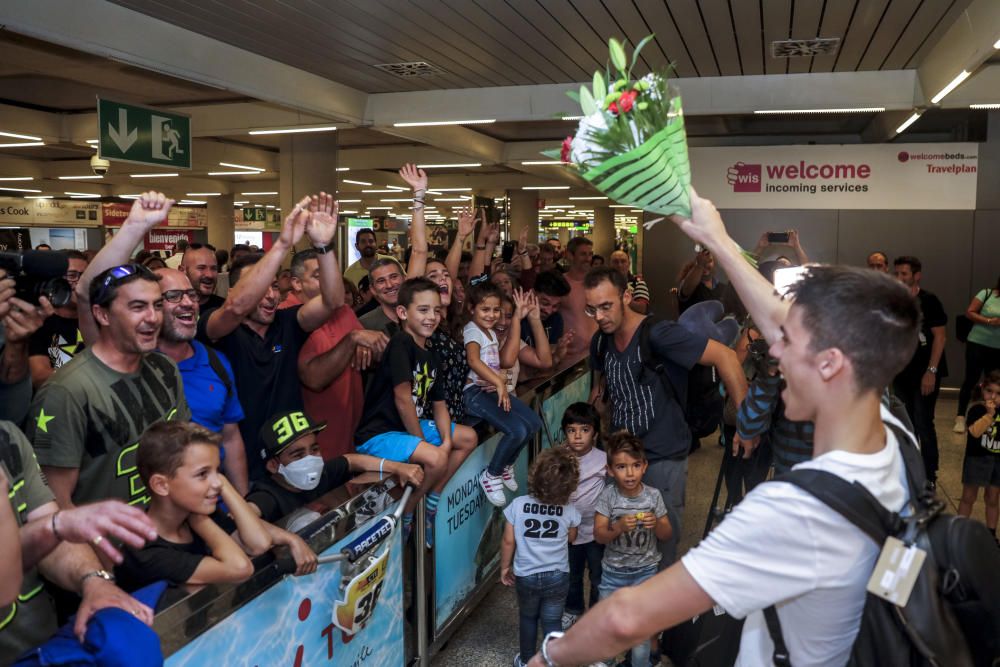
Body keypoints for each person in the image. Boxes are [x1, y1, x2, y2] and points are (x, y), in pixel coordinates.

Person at [529, 189, 921, 667]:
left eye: (787, 347)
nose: (772, 354)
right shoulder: (896, 435)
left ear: (830, 363)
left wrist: (550, 656)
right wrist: (716, 240)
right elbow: (779, 317)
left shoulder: (789, 510)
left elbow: (626, 618)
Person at [28, 193, 191, 508]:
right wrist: (134, 227)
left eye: (157, 305)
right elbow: (57, 506)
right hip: (105, 549)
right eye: (137, 307)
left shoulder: (164, 368)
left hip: (161, 538)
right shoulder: (68, 391)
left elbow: (180, 455)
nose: (153, 317)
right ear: (102, 315)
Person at [586, 265, 747, 568]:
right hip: (621, 457)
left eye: (606, 306)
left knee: (662, 540)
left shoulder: (659, 333)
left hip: (663, 454)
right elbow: (601, 390)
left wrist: (747, 424)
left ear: (627, 296)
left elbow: (725, 357)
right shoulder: (601, 339)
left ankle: (661, 608)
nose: (599, 317)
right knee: (617, 541)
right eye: (591, 309)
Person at [198, 193, 344, 482]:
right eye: (260, 286)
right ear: (235, 290)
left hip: (290, 461)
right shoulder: (218, 327)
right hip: (240, 461)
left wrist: (323, 246)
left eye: (275, 286)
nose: (270, 295)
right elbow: (236, 308)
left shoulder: (288, 323)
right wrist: (283, 243)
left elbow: (332, 301)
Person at [0, 419, 159, 660]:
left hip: (45, 649)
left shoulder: (7, 434)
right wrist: (53, 527)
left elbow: (50, 536)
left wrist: (94, 580)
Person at [354, 278, 478, 543]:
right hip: (381, 434)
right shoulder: (400, 343)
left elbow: (440, 405)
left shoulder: (431, 354)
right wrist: (423, 443)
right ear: (403, 313)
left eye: (435, 310)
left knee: (468, 438)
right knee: (435, 459)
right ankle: (409, 515)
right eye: (423, 310)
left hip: (408, 429)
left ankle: (432, 499)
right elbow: (402, 398)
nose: (431, 317)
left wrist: (446, 441)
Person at [115, 421, 273, 598]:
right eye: (202, 474)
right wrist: (200, 521)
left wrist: (224, 484)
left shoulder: (198, 512)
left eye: (217, 471)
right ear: (161, 485)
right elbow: (240, 568)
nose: (217, 483)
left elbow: (259, 543)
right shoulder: (143, 552)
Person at [154, 268, 249, 495]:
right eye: (174, 296)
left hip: (215, 502)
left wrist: (242, 504)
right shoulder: (135, 366)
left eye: (191, 295)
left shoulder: (216, 362)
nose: (187, 303)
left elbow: (230, 438)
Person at [245, 409, 424, 524]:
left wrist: (397, 468)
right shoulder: (267, 496)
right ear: (273, 465)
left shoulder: (322, 474)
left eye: (314, 449)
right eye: (298, 454)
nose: (310, 459)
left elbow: (351, 460)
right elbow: (244, 517)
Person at [294, 249, 388, 460]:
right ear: (297, 283)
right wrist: (352, 341)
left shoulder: (343, 311)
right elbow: (314, 378)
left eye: (331, 274)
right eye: (319, 276)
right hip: (313, 442)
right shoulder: (291, 316)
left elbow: (374, 355)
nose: (329, 281)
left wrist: (363, 346)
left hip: (349, 430)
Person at [593, 432, 671, 667]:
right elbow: (598, 536)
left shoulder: (653, 496)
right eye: (622, 466)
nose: (630, 473)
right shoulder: (608, 496)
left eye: (636, 465)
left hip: (645, 573)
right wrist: (616, 528)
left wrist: (656, 523)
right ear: (609, 470)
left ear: (645, 466)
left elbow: (666, 535)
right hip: (613, 574)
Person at [463, 284, 543, 506]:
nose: (492, 315)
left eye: (495, 310)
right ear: (471, 309)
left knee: (533, 423)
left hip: (491, 389)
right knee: (516, 430)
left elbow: (505, 359)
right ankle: (491, 475)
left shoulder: (489, 332)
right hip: (474, 393)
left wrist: (517, 315)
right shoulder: (471, 330)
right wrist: (498, 380)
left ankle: (506, 464)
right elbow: (473, 360)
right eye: (485, 309)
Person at [500, 447, 581, 667]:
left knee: (528, 618)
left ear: (534, 475)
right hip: (557, 576)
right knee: (552, 620)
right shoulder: (570, 511)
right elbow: (571, 538)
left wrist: (504, 568)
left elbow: (508, 541)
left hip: (525, 574)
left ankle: (526, 661)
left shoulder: (517, 505)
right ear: (570, 486)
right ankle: (552, 661)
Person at [892, 255, 947, 485]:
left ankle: (929, 475)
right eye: (897, 273)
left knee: (924, 423)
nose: (899, 278)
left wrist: (931, 371)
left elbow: (940, 337)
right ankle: (909, 470)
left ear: (916, 276)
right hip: (901, 374)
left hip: (925, 374)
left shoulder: (930, 300)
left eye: (904, 274)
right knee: (906, 425)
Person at [560, 402, 606, 629]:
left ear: (595, 434)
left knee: (597, 575)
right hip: (567, 532)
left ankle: (595, 614)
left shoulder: (604, 460)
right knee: (572, 574)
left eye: (585, 430)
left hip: (596, 530)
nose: (578, 436)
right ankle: (573, 608)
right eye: (571, 430)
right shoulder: (558, 458)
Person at [28, 250, 87, 388]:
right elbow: (39, 376)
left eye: (84, 276)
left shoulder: (97, 318)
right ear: (56, 281)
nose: (79, 282)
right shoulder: (39, 321)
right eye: (72, 276)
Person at [957, 370, 1000, 541]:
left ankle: (991, 534)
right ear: (983, 390)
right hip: (977, 460)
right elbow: (975, 432)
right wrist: (989, 415)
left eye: (998, 393)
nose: (993, 397)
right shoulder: (977, 410)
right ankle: (958, 532)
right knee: (968, 496)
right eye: (989, 391)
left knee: (993, 498)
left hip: (997, 461)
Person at [953, 277, 1000, 433]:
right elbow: (970, 313)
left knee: (994, 384)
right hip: (978, 344)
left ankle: (990, 416)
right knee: (971, 380)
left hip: (998, 348)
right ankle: (960, 417)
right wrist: (988, 320)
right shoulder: (987, 294)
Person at [495, 290, 551, 393]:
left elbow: (544, 361)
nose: (502, 322)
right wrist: (517, 318)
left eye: (508, 316)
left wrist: (534, 319)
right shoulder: (480, 339)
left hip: (510, 402)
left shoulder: (509, 339)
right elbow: (506, 361)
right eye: (498, 314)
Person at [522, 271, 573, 375]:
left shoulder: (556, 319)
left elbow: (547, 366)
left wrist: (557, 355)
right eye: (545, 303)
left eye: (556, 306)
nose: (549, 311)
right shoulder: (516, 319)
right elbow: (520, 374)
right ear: (532, 294)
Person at [560, 237, 598, 359]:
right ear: (570, 255)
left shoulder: (597, 282)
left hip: (596, 354)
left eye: (590, 254)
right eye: (583, 254)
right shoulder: (561, 283)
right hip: (569, 357)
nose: (588, 258)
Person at [359, 257, 405, 336]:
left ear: (405, 279)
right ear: (373, 289)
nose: (389, 285)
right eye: (381, 281)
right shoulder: (365, 325)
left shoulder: (422, 315)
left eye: (394, 277)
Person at [179, 243, 225, 311]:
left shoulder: (225, 309)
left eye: (214, 268)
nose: (210, 275)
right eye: (201, 268)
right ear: (182, 271)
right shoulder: (172, 309)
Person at [609, 250, 649, 315]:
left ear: (629, 264)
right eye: (615, 262)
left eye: (623, 261)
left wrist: (623, 298)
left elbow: (642, 309)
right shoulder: (603, 282)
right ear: (610, 264)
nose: (619, 265)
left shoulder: (638, 282)